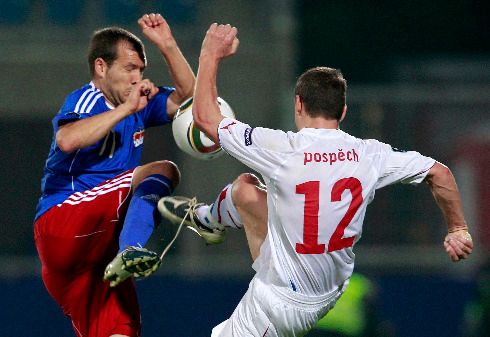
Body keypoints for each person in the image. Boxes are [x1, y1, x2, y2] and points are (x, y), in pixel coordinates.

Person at [158, 23, 474, 337]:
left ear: (298, 104)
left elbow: (205, 118)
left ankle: (206, 220)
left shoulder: (282, 149)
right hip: (329, 289)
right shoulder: (370, 154)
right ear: (344, 110)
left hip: (284, 301)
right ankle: (206, 220)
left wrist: (210, 54)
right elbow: (440, 173)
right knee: (244, 190)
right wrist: (457, 228)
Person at [33, 13, 223, 337]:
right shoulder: (88, 98)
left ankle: (127, 251)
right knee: (163, 169)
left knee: (122, 331)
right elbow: (66, 140)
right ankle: (132, 246)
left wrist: (167, 44)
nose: (137, 78)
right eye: (129, 68)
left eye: (141, 70)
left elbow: (190, 98)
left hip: (91, 260)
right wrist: (125, 110)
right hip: (65, 220)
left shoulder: (138, 102)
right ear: (101, 68)